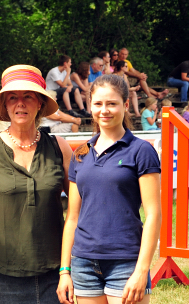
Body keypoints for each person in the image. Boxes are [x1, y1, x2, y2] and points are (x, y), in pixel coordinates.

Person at [0, 64, 73, 304]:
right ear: (4, 105)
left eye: (28, 97)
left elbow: (78, 207)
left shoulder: (59, 148)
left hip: (54, 274)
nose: (20, 103)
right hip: (1, 277)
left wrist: (68, 267)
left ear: (40, 104)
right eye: (13, 97)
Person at [57, 74, 161, 304]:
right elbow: (72, 217)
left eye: (112, 103)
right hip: (83, 262)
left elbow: (153, 214)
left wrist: (142, 270)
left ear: (125, 105)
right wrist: (65, 270)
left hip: (126, 261)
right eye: (98, 104)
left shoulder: (141, 151)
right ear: (90, 105)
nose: (104, 110)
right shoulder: (80, 153)